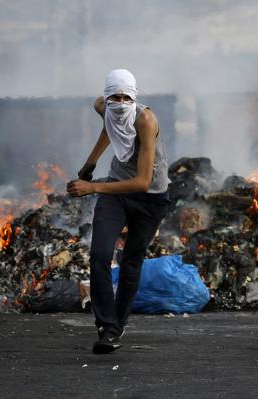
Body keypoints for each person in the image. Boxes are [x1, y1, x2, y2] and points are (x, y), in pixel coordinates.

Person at [67, 69, 170, 354]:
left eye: (127, 97)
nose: (120, 103)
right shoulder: (102, 106)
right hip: (117, 193)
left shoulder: (146, 120)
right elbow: (109, 128)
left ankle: (118, 324)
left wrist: (92, 187)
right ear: (106, 96)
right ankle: (106, 328)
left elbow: (142, 182)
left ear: (134, 97)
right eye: (115, 97)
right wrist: (91, 162)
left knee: (131, 261)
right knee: (99, 253)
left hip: (149, 197)